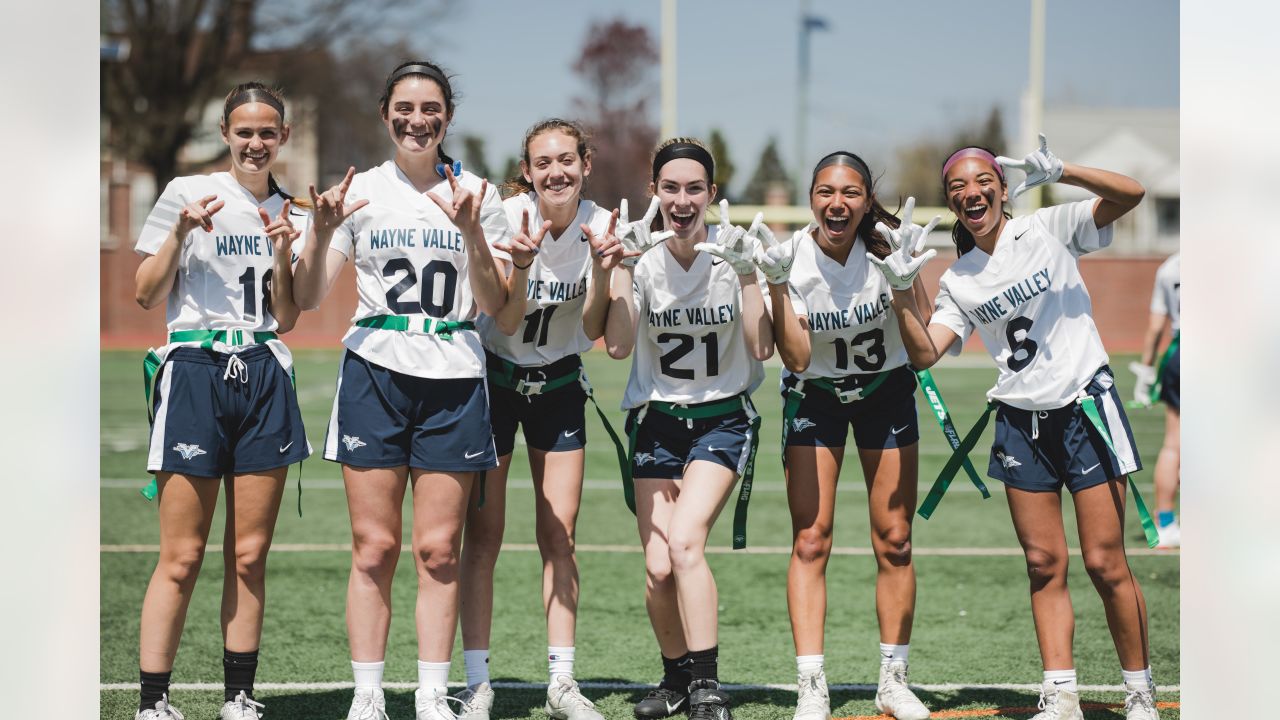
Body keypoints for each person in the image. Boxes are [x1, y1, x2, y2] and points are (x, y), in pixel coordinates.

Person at [874, 135, 1159, 720]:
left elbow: (1132, 194)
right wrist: (903, 288)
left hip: (1084, 408)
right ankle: (1061, 692)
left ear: (1003, 187)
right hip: (1019, 422)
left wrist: (1064, 171)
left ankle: (1139, 692)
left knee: (1106, 562)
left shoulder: (1048, 227)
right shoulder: (959, 276)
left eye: (981, 181)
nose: (970, 192)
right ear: (952, 204)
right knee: (1042, 563)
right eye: (957, 187)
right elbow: (927, 351)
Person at [291, 60, 521, 720]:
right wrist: (324, 230)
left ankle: (430, 693)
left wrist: (473, 228)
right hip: (375, 371)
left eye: (430, 109)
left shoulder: (480, 192)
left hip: (452, 373)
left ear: (448, 116)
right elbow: (307, 296)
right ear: (385, 113)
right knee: (374, 546)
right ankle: (368, 694)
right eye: (404, 108)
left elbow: (494, 300)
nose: (416, 120)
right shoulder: (358, 190)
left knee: (439, 549)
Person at [132, 82, 311, 720]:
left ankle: (239, 697)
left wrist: (288, 253)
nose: (256, 142)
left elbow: (286, 317)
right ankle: (156, 701)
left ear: (283, 136)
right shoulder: (187, 193)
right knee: (181, 555)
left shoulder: (295, 210)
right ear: (225, 133)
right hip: (196, 369)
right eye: (245, 131)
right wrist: (179, 232)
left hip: (262, 369)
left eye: (268, 131)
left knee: (248, 553)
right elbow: (147, 294)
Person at [755, 151, 933, 720]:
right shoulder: (791, 259)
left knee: (895, 539)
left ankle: (893, 680)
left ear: (865, 199)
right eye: (827, 192)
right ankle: (812, 683)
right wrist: (778, 286)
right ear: (812, 197)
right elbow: (798, 358)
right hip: (817, 398)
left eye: (851, 192)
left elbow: (921, 342)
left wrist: (905, 284)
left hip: (885, 394)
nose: (838, 203)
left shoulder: (887, 246)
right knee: (811, 539)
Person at [459, 119, 624, 720]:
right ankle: (478, 682)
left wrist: (607, 271)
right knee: (484, 538)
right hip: (495, 383)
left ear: (586, 163)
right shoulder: (504, 218)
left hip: (557, 385)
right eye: (543, 162)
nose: (556, 171)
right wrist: (522, 266)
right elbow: (502, 319)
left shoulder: (603, 225)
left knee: (560, 537)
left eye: (567, 160)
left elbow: (600, 330)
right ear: (526, 171)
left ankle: (562, 683)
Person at [604, 138, 773, 720]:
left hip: (719, 422)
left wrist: (751, 273)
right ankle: (675, 678)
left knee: (683, 543)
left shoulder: (732, 258)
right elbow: (619, 344)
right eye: (670, 188)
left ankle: (707, 684)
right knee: (656, 568)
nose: (682, 200)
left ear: (711, 194)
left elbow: (762, 346)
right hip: (656, 424)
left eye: (694, 188)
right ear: (654, 193)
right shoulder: (642, 259)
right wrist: (621, 269)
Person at [1130, 253, 1179, 548]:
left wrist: (1146, 373)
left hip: (1179, 353)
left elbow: (1155, 328)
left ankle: (1166, 523)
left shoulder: (1170, 267)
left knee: (1173, 443)